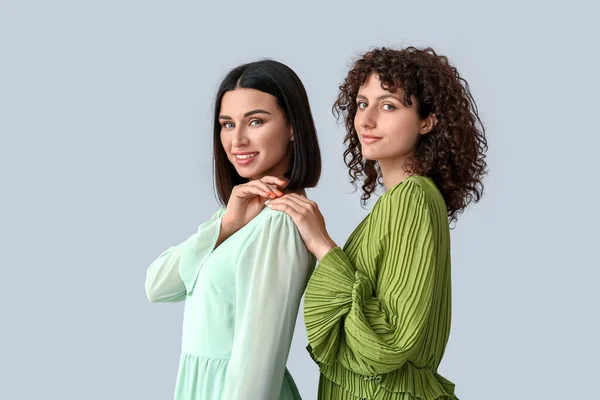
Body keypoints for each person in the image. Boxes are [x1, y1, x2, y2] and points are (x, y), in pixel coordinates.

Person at [267, 47, 487, 400]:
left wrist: (323, 245)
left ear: (427, 120)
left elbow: (391, 341)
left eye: (388, 106)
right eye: (361, 103)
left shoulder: (412, 199)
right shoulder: (400, 202)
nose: (366, 120)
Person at [145, 59, 321, 400]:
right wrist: (226, 226)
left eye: (255, 121)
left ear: (292, 128)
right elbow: (157, 286)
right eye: (227, 124)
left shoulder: (281, 221)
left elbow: (261, 356)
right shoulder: (237, 216)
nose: (237, 140)